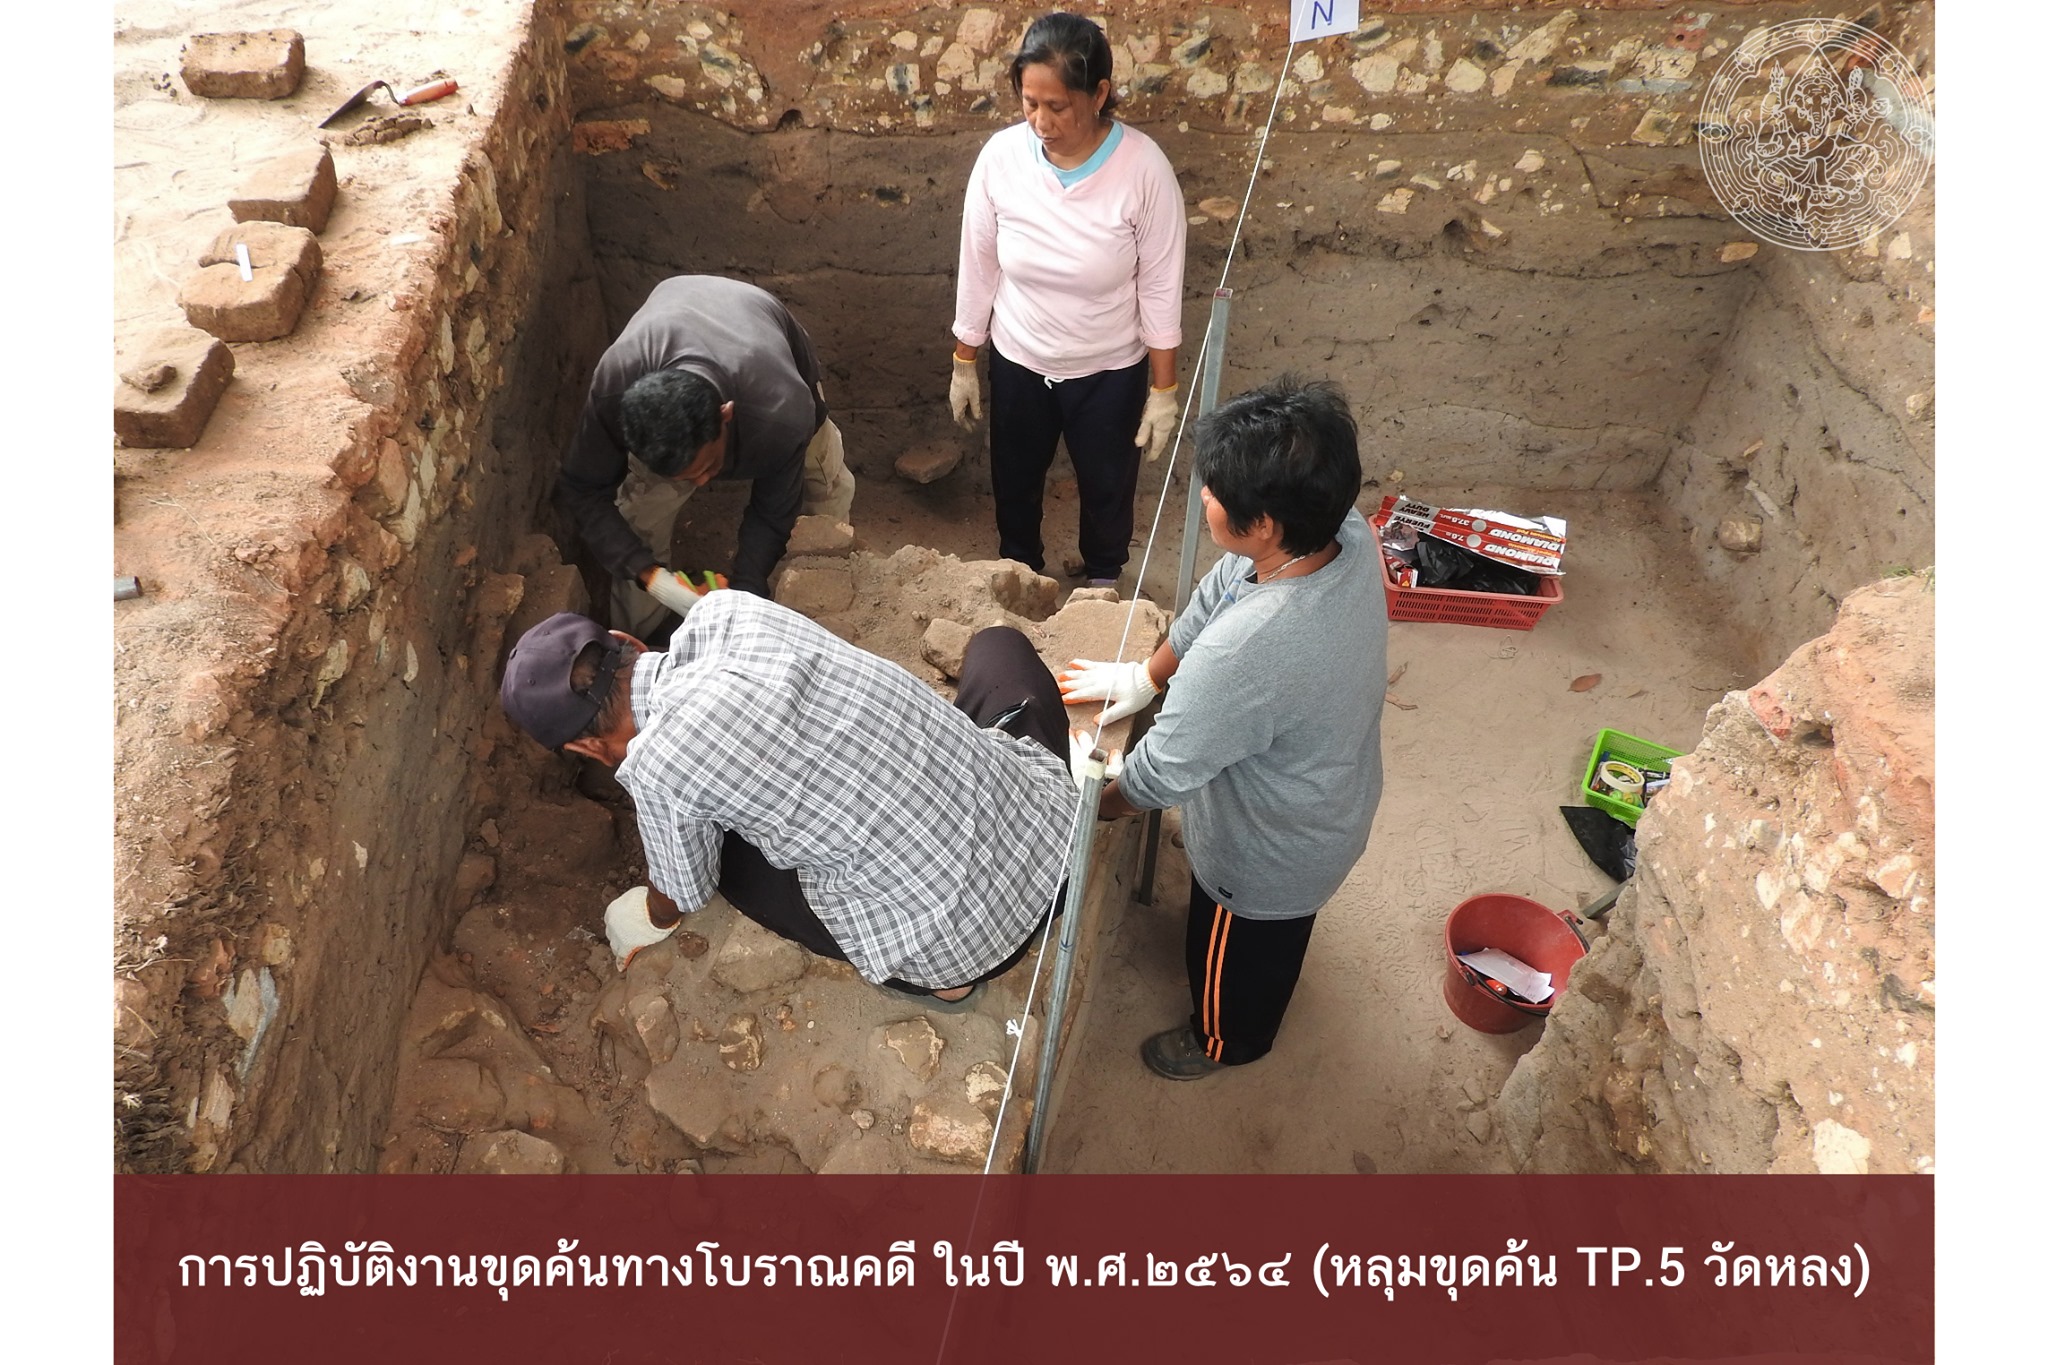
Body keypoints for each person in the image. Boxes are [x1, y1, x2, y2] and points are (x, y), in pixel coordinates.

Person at [497, 593, 1077, 1003]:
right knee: (998, 646)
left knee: (727, 866)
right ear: (626, 641)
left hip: (966, 945)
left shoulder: (658, 764)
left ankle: (945, 986)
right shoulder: (728, 610)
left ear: (586, 747)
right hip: (1052, 839)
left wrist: (649, 918)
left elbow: (683, 888)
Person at [1058, 376, 1387, 1078]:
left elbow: (1160, 776)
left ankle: (1225, 1041)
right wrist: (1146, 676)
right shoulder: (1341, 531)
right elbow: (1221, 590)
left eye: (1214, 491)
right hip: (1327, 797)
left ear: (1263, 523)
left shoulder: (1249, 653)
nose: (1204, 494)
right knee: (1277, 942)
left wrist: (1092, 805)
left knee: (1232, 962)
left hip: (1266, 855)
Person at [950, 11, 1187, 589]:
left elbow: (1160, 284)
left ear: (1099, 94)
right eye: (1029, 103)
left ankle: (1103, 581)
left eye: (1057, 106)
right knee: (1015, 480)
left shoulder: (1143, 170)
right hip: (1019, 358)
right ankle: (1021, 572)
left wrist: (1163, 391)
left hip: (1109, 369)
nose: (1041, 121)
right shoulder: (1001, 159)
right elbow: (979, 264)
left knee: (1108, 485)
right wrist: (964, 360)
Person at [557, 275, 856, 641]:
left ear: (725, 415)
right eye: (683, 476)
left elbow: (772, 514)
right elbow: (582, 488)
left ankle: (827, 583)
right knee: (641, 513)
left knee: (823, 480)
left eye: (706, 467)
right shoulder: (613, 389)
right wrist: (654, 578)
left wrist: (745, 592)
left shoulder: (782, 414)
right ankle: (648, 635)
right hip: (674, 304)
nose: (701, 483)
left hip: (766, 346)